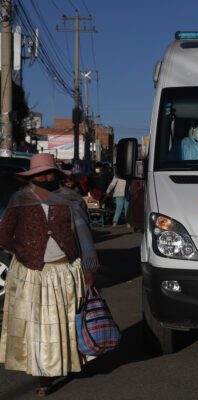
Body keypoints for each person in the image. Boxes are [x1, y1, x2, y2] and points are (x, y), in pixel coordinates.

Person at [0, 153, 99, 396]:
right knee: (38, 328)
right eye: (39, 174)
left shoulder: (72, 199)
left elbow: (84, 237)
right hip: (31, 273)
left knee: (64, 323)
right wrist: (21, 250)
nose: (45, 177)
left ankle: (60, 363)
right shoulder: (19, 199)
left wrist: (89, 268)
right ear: (31, 177)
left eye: (48, 173)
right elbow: (4, 234)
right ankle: (43, 377)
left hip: (65, 272)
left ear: (56, 175)